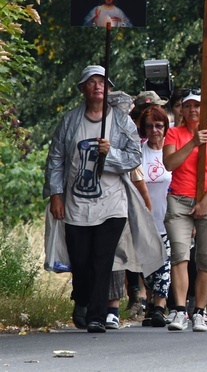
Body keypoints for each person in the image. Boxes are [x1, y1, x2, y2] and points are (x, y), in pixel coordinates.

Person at [44, 65, 141, 333]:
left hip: (112, 204)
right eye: (91, 82)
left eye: (102, 82)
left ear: (108, 89)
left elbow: (135, 156)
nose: (97, 86)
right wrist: (56, 194)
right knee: (81, 260)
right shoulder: (69, 121)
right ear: (82, 88)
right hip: (76, 203)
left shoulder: (121, 121)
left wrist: (111, 154)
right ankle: (83, 300)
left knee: (102, 259)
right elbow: (56, 159)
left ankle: (97, 316)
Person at [163, 89, 207, 332]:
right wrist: (193, 143)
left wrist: (204, 202)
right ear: (182, 109)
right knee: (180, 255)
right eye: (188, 105)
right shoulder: (174, 133)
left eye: (198, 106)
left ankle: (200, 312)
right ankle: (180, 311)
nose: (193, 110)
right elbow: (170, 163)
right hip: (180, 199)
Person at [138, 105, 173, 328]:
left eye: (159, 126)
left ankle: (160, 305)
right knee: (148, 264)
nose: (155, 130)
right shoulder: (138, 151)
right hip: (144, 218)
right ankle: (151, 302)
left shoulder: (171, 150)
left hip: (169, 215)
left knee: (166, 262)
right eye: (150, 126)